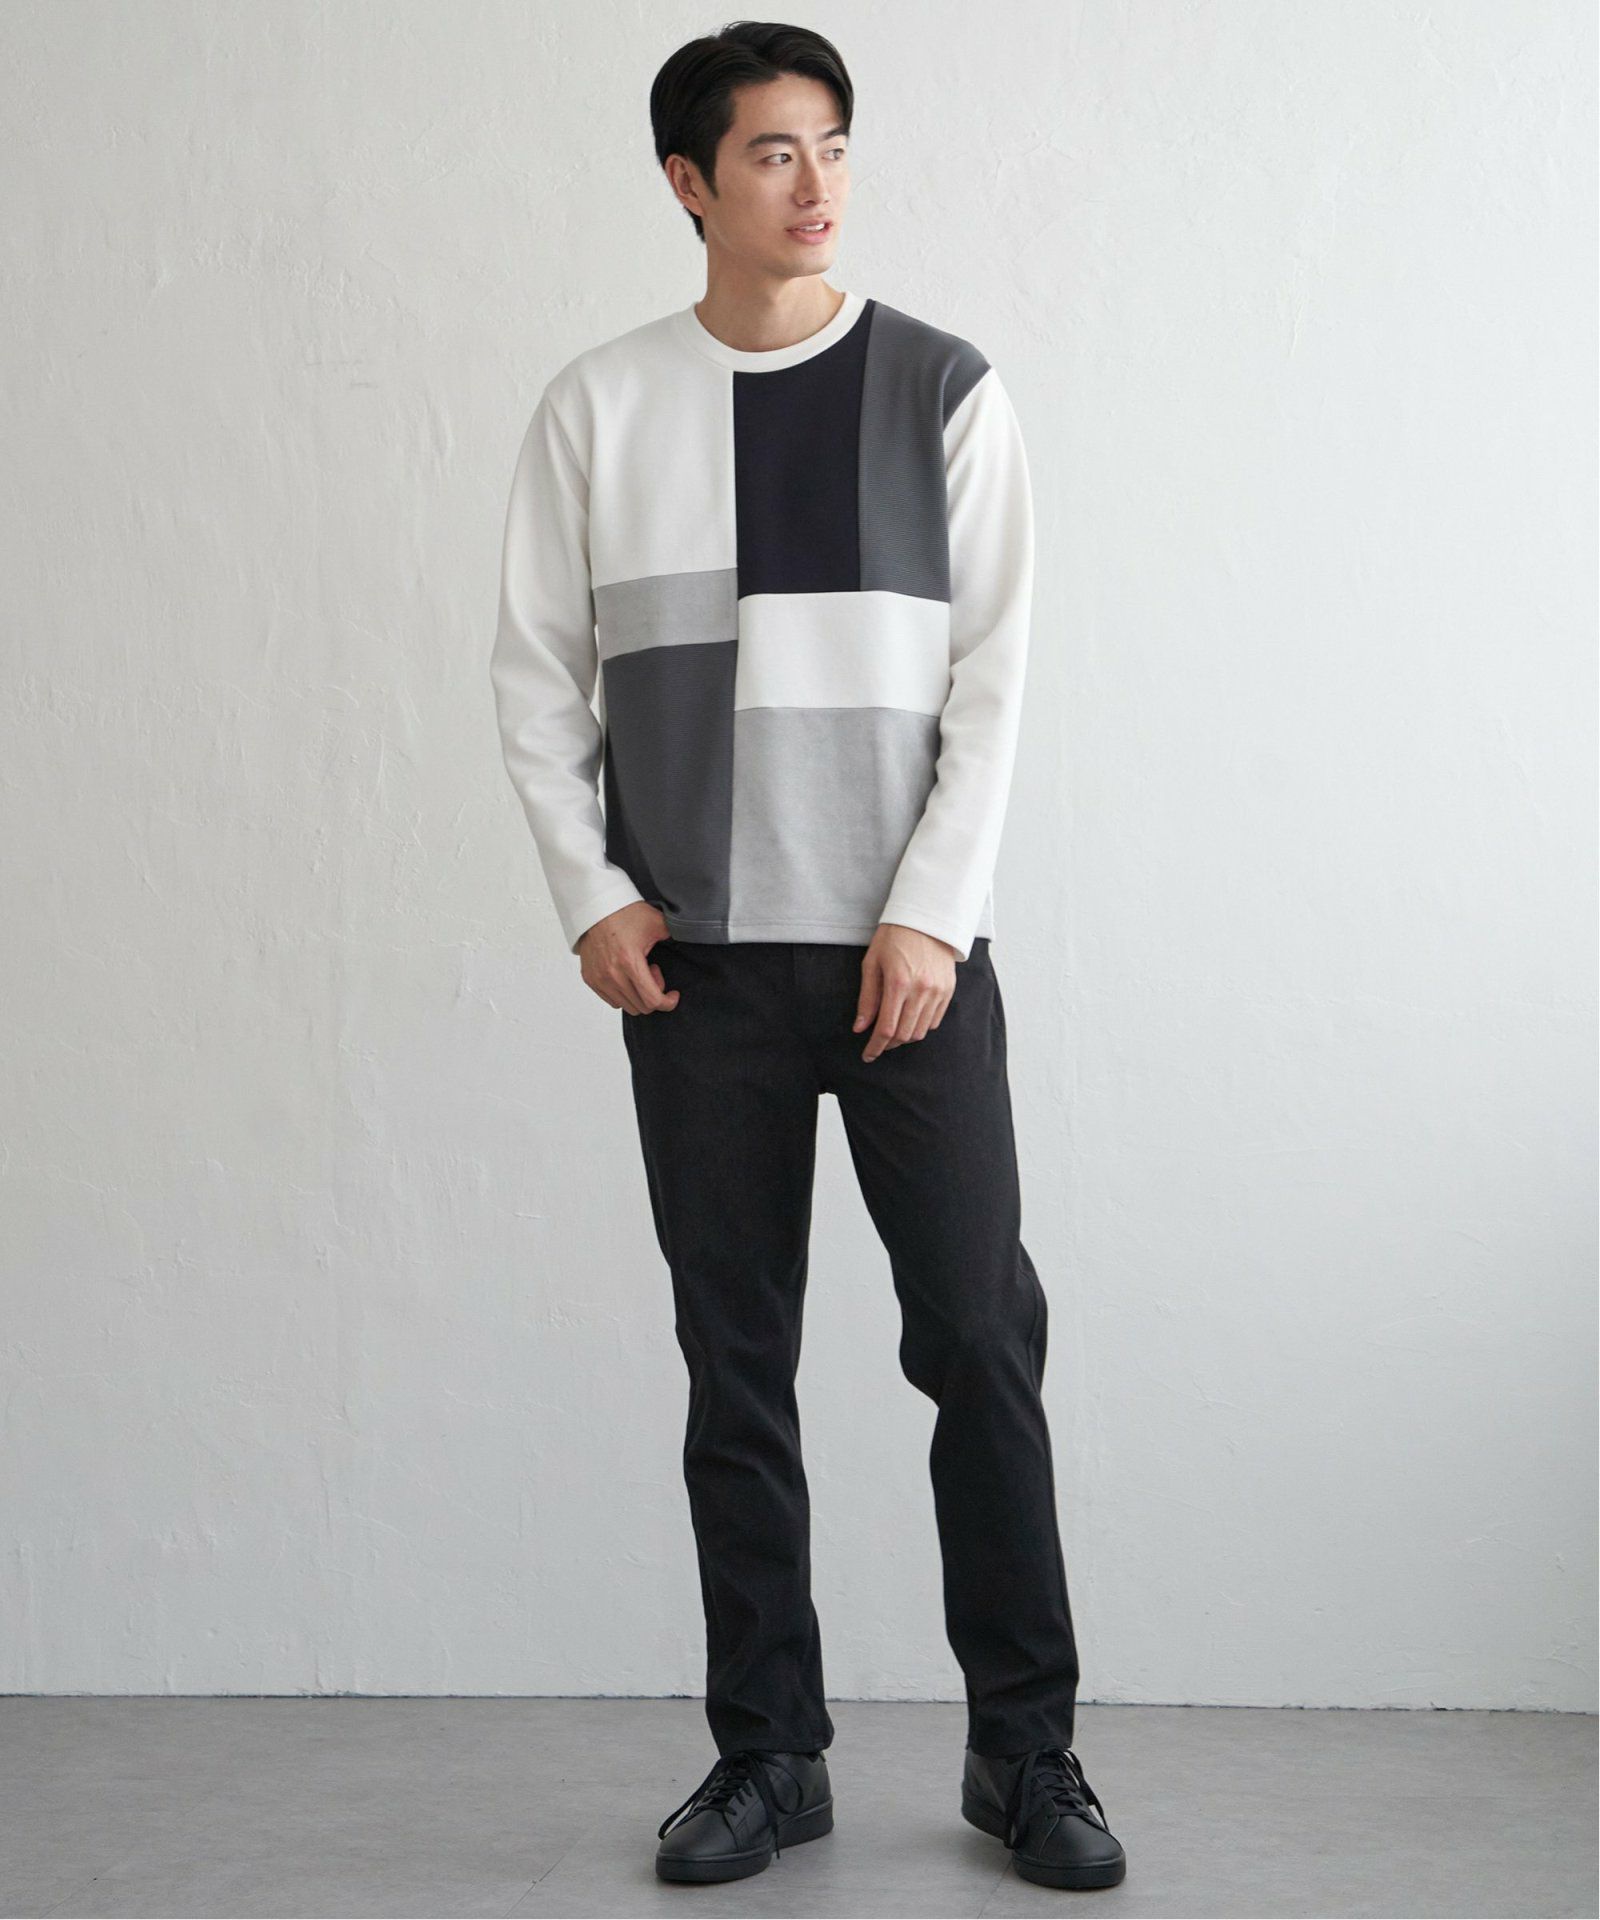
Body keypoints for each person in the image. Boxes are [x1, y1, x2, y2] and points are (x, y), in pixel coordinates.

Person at [489, 19, 1126, 1894]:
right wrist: (591, 890)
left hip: (904, 961)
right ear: (688, 183)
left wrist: (929, 910)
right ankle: (770, 1753)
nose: (817, 182)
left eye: (832, 144)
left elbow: (996, 680)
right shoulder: (600, 407)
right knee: (736, 1358)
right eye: (773, 152)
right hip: (699, 965)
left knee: (980, 1342)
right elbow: (534, 674)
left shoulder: (944, 388)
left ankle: (1028, 1751)